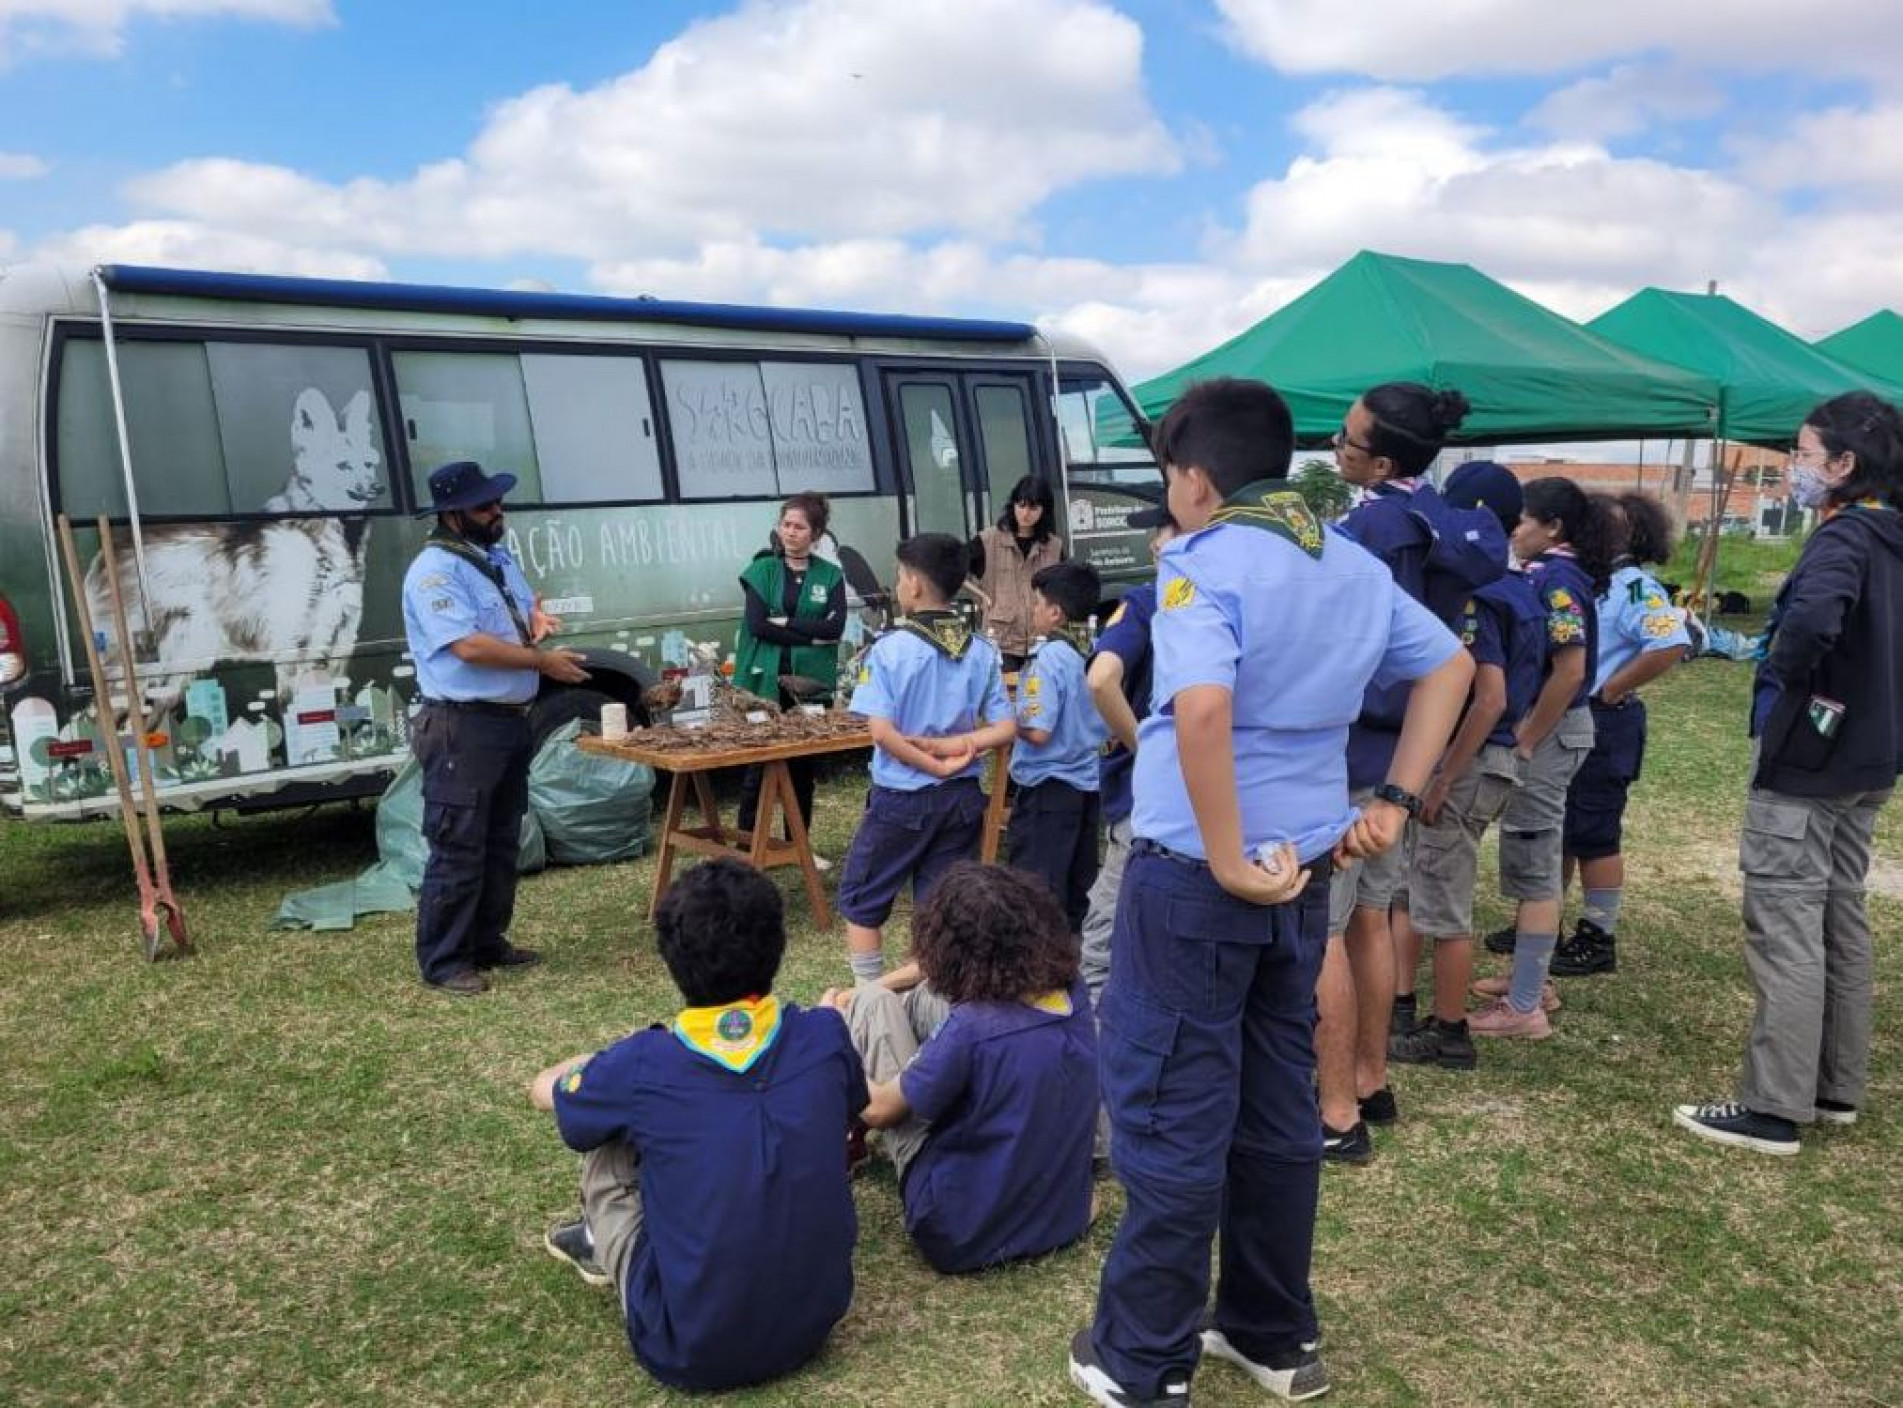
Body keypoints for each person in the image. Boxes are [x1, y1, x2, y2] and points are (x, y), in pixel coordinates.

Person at [1068, 378, 1470, 1408]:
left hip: (1204, 879)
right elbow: (1452, 667)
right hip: (1302, 874)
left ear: (1194, 479)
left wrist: (1226, 850)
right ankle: (1271, 1331)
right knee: (1274, 1105)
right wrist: (1393, 794)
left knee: (1168, 1111)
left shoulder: (1205, 564)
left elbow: (1200, 711)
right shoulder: (1347, 559)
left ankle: (1142, 1358)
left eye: (1169, 477)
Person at [530, 858, 865, 1390]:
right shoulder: (824, 1034)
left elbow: (549, 1094)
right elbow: (851, 1105)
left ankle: (600, 1239)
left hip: (684, 1347)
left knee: (604, 1135)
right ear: (778, 945)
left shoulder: (641, 1064)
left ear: (670, 956)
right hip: (814, 1321)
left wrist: (587, 1065)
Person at [1675, 392, 1903, 1156]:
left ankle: (1774, 1106)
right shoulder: (1890, 536)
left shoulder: (1842, 539)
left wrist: (1783, 675)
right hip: (1868, 756)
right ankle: (1833, 1085)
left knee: (1786, 924)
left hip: (1810, 759)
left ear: (1843, 466)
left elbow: (1807, 626)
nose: (1793, 470)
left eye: (1803, 455)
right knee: (1839, 916)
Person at [1319, 382, 1491, 1160]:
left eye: (1346, 438)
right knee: (1371, 916)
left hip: (1351, 743)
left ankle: (1332, 1114)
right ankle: (1369, 1077)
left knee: (1320, 924)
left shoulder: (1365, 528)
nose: (1335, 444)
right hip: (1408, 748)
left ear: (1380, 458)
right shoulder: (1453, 519)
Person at [822, 863, 1097, 1273]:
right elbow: (933, 976)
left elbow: (880, 1109)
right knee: (898, 998)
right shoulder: (1072, 993)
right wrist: (878, 985)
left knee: (873, 1008)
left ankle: (846, 1129)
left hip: (957, 1229)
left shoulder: (972, 1028)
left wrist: (834, 1039)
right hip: (1060, 1216)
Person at [401, 460, 589, 996]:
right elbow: (467, 645)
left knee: (501, 840)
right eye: (485, 505)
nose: (496, 510)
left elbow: (521, 609)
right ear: (454, 515)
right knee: (459, 843)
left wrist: (537, 623)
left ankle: (487, 942)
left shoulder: (494, 557)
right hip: (462, 725)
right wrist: (541, 662)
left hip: (507, 722)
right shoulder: (434, 570)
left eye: (498, 502)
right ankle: (444, 960)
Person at [1390, 462, 1547, 1071]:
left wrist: (1443, 773)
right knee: (1420, 886)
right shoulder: (1523, 590)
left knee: (1444, 902)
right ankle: (1408, 1007)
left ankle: (1449, 1031)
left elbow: (1490, 696)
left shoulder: (1478, 596)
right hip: (1499, 760)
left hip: (1471, 760)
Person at [837, 533, 1017, 983]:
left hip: (902, 799)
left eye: (900, 576)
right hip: (961, 798)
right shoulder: (980, 649)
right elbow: (1006, 726)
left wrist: (932, 763)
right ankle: (937, 997)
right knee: (944, 908)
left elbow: (881, 731)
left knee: (862, 898)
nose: (898, 585)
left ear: (914, 585)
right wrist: (963, 747)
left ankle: (869, 998)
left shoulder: (892, 649)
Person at [1473, 477, 1613, 1038]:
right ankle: (1530, 980)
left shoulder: (1557, 582)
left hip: (1554, 733)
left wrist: (1529, 733)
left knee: (1533, 860)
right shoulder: (1559, 574)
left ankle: (1525, 1007)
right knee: (1540, 855)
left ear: (1551, 526)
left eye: (1520, 523)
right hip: (1560, 730)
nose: (1513, 533)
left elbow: (1571, 669)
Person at [1552, 491, 1691, 977]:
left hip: (1605, 722)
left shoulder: (1635, 588)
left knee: (1594, 832)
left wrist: (1614, 686)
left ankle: (1598, 936)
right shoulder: (1592, 583)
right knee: (1563, 826)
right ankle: (1546, 924)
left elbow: (1671, 640)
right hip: (1572, 719)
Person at [1079, 499, 1178, 1012]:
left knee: (1103, 945)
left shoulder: (1150, 600)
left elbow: (1100, 678)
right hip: (1221, 795)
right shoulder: (1243, 596)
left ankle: (1092, 1079)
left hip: (1147, 799)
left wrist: (1145, 746)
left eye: (1159, 532)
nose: (1152, 544)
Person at [733, 492, 848, 857]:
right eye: (786, 524)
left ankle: (799, 845)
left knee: (802, 770)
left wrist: (786, 621)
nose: (791, 532)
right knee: (757, 766)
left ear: (815, 534)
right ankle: (748, 844)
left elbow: (836, 628)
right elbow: (757, 626)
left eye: (800, 527)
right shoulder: (761, 570)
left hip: (809, 687)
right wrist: (809, 631)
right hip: (761, 683)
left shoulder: (830, 575)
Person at [1007, 561, 1109, 933]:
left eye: (1037, 603)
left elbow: (1038, 731)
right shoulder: (1095, 651)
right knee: (1077, 882)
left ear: (1055, 611)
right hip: (1087, 782)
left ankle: (1040, 965)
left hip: (1048, 785)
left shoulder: (1048, 658)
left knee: (1036, 887)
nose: (1033, 610)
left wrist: (1004, 722)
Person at [968, 474, 1065, 670]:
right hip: (1001, 641)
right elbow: (952, 567)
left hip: (1042, 641)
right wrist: (982, 598)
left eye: (1033, 507)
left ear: (1044, 510)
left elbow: (1066, 587)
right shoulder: (989, 540)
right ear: (1012, 505)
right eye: (1021, 505)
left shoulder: (1054, 546)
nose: (1025, 513)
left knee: (1037, 698)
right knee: (1005, 698)